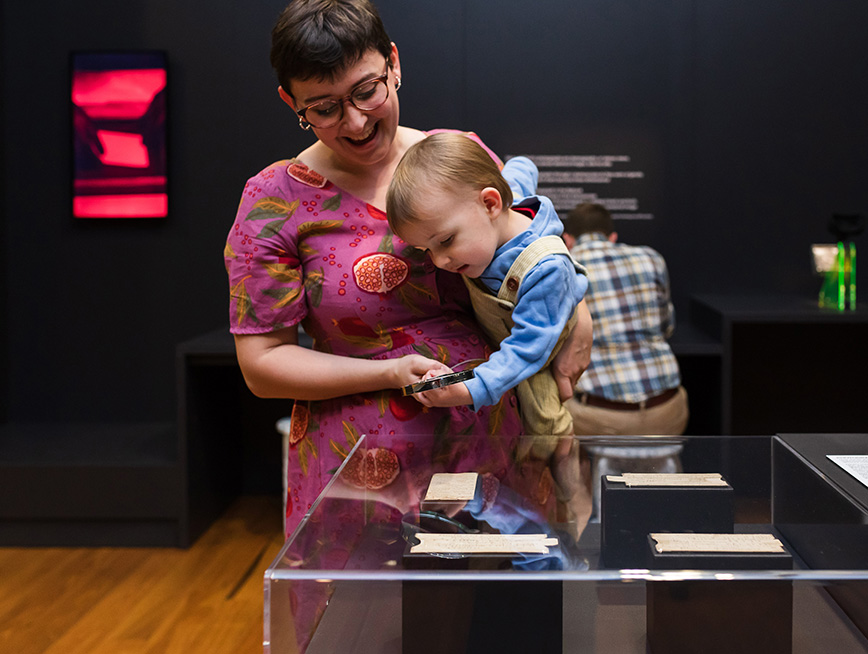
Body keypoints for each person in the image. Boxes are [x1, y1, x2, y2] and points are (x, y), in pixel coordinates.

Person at [223, 0, 593, 544]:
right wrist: (391, 373)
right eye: (323, 108)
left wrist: (577, 306)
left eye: (367, 91)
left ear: (393, 63)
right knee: (372, 599)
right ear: (291, 101)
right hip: (361, 463)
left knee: (501, 594)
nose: (355, 122)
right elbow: (262, 367)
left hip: (492, 445)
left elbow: (529, 243)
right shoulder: (273, 201)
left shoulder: (456, 154)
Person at [385, 133, 589, 446]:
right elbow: (522, 168)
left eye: (446, 241)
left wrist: (471, 389)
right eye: (426, 250)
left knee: (547, 428)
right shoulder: (508, 194)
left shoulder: (545, 269)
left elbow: (527, 350)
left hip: (539, 352)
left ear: (490, 203)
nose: (439, 261)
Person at [562, 202, 688, 516]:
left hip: (600, 418)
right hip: (666, 412)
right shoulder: (651, 258)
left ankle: (581, 515)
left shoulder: (563, 267)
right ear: (613, 236)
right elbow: (666, 326)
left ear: (568, 239)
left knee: (552, 409)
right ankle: (671, 515)